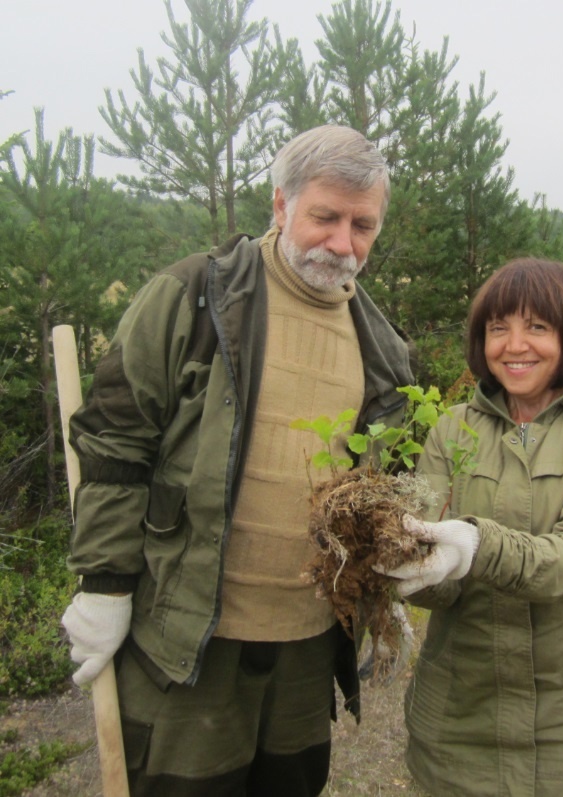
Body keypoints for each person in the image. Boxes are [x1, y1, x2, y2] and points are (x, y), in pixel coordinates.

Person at [61, 124, 414, 797]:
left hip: (307, 650)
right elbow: (115, 442)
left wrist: (382, 580)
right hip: (189, 644)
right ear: (280, 205)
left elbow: (381, 484)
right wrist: (104, 583)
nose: (343, 243)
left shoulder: (381, 345)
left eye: (362, 225)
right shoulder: (197, 296)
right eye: (325, 217)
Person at [382, 259, 563, 796]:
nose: (514, 345)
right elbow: (440, 585)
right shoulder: (452, 429)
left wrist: (475, 544)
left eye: (537, 327)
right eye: (498, 328)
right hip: (460, 725)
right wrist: (401, 566)